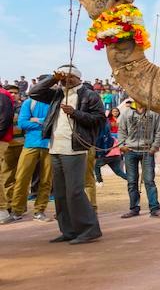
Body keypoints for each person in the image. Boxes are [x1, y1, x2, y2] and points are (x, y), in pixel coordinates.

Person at [28, 65, 104, 243]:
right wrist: (53, 79)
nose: (64, 80)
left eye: (68, 76)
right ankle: (69, 230)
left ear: (78, 78)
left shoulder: (89, 95)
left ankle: (89, 229)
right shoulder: (57, 93)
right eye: (62, 77)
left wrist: (76, 113)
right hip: (55, 148)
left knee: (75, 191)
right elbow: (35, 93)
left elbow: (99, 120)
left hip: (75, 148)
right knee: (61, 193)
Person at [6, 90, 52, 223]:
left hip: (49, 145)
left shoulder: (54, 103)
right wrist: (45, 123)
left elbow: (54, 122)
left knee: (46, 179)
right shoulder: (29, 103)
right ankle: (17, 210)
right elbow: (22, 123)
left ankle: (40, 210)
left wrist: (36, 120)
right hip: (30, 144)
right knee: (21, 178)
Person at [118, 102, 160, 219]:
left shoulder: (154, 113)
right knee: (131, 181)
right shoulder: (127, 113)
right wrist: (122, 146)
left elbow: (159, 131)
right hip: (130, 151)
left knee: (149, 181)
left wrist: (154, 147)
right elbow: (121, 130)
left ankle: (155, 209)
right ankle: (134, 208)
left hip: (147, 151)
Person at [0, 85, 23, 223]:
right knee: (7, 176)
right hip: (8, 143)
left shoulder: (2, 95)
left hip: (19, 144)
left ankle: (6, 209)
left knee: (18, 176)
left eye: (15, 93)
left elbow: (6, 119)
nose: (13, 95)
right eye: (11, 92)